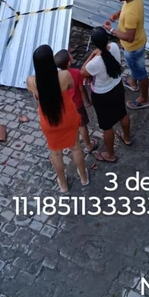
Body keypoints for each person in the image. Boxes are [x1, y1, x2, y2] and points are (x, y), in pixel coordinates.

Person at [27, 45, 88, 190]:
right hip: (67, 116)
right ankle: (84, 177)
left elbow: (34, 95)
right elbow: (71, 86)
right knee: (76, 147)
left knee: (56, 153)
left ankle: (63, 184)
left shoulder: (31, 81)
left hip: (49, 120)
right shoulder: (64, 76)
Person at [81, 28, 131, 163]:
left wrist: (92, 54)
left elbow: (83, 72)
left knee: (107, 125)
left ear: (95, 44)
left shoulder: (94, 63)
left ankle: (110, 154)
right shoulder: (114, 47)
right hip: (117, 86)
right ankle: (127, 138)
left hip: (102, 95)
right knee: (122, 113)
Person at [104, 0, 149, 110]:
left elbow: (129, 37)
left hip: (133, 47)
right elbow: (126, 8)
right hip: (140, 40)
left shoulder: (131, 14)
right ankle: (132, 82)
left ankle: (144, 99)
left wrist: (111, 30)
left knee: (141, 72)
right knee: (134, 67)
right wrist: (118, 15)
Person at [54, 49, 97, 155]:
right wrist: (87, 101)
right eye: (70, 55)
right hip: (77, 105)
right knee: (82, 125)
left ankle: (69, 144)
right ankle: (88, 145)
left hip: (64, 106)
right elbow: (81, 89)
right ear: (69, 62)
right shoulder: (76, 73)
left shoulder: (56, 76)